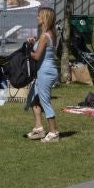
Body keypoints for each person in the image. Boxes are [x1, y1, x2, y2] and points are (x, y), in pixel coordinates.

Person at [25, 8, 61, 143]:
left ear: (45, 18)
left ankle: (54, 132)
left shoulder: (45, 36)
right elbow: (42, 49)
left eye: (39, 16)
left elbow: (37, 56)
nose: (37, 18)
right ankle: (39, 128)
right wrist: (33, 44)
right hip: (46, 71)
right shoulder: (49, 34)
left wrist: (27, 50)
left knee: (45, 101)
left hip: (45, 72)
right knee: (34, 98)